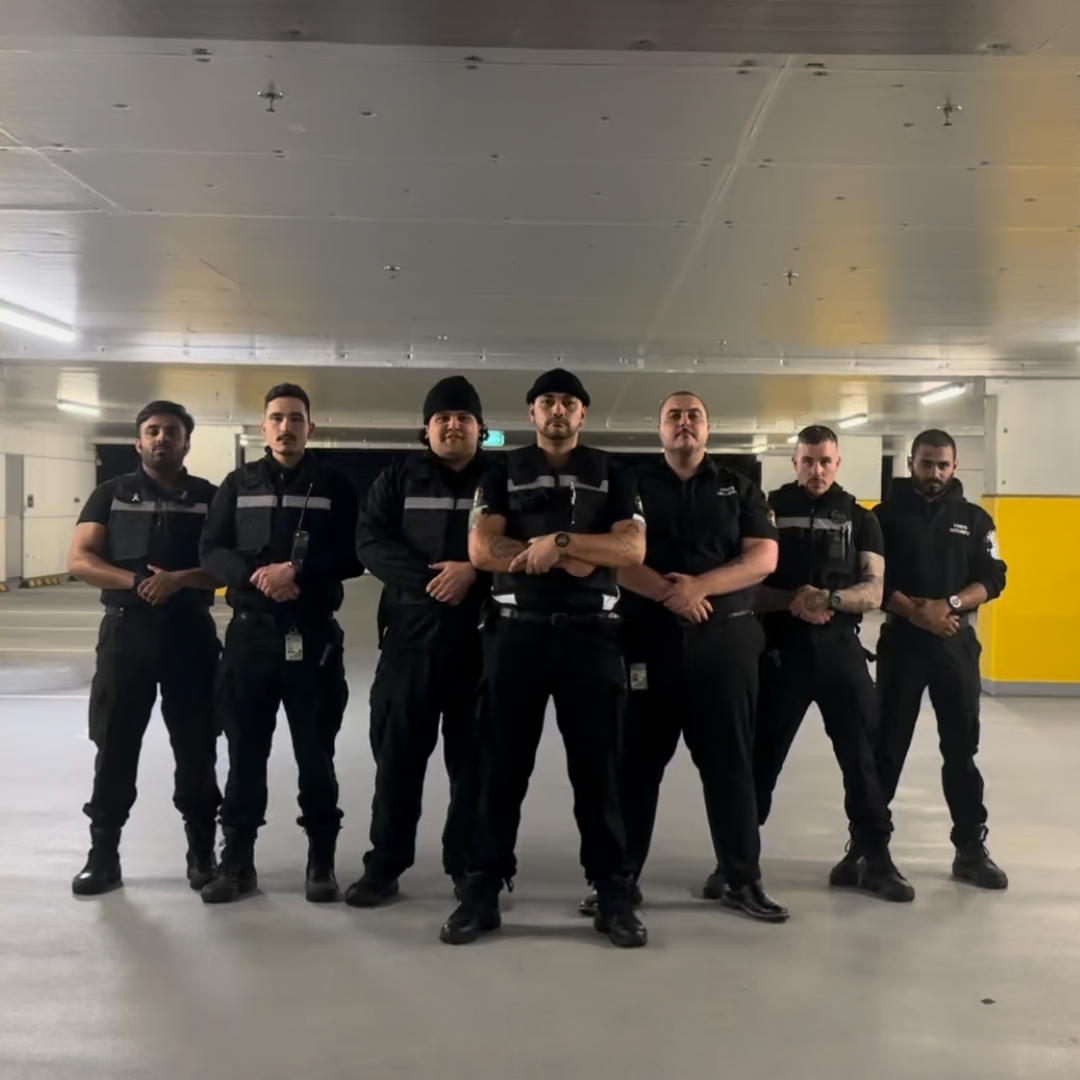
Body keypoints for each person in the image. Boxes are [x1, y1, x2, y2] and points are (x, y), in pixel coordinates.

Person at [439, 369, 648, 949]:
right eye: (547, 402)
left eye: (569, 403)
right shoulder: (501, 471)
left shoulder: (615, 472)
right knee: (499, 771)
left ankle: (613, 895)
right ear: (531, 413)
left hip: (593, 638)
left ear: (583, 414)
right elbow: (482, 549)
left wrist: (554, 544)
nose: (558, 410)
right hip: (516, 637)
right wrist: (581, 552)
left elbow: (632, 548)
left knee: (599, 772)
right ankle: (481, 892)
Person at [580, 390, 788, 923]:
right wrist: (670, 594)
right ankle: (619, 882)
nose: (684, 423)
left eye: (694, 415)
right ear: (659, 428)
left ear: (708, 428)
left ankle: (742, 879)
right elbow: (616, 559)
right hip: (646, 642)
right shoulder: (631, 486)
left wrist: (699, 588)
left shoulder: (738, 487)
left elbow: (763, 557)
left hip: (724, 647)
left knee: (731, 768)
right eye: (674, 415)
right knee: (636, 767)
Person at [199, 383, 363, 904]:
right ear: (263, 426)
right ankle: (237, 862)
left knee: (316, 753)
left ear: (310, 427)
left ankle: (321, 862)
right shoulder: (237, 483)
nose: (286, 426)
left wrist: (299, 571)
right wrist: (256, 577)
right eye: (276, 417)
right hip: (250, 637)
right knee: (246, 752)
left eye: (296, 418)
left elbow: (353, 553)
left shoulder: (333, 483)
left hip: (311, 635)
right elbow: (211, 550)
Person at [752, 425, 913, 902]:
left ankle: (875, 859)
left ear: (838, 463)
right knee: (760, 760)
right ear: (794, 462)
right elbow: (747, 584)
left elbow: (874, 590)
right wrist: (794, 602)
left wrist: (830, 598)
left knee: (862, 758)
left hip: (841, 652)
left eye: (825, 461)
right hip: (780, 652)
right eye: (808, 460)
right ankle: (736, 863)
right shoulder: (767, 512)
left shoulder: (862, 519)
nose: (817, 470)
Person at [67, 401, 221, 896]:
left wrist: (179, 581)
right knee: (114, 746)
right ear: (138, 442)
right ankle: (102, 856)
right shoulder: (110, 494)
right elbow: (79, 559)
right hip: (126, 636)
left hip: (190, 637)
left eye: (171, 431)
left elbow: (229, 565)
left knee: (197, 748)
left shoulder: (209, 498)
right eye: (152, 431)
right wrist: (136, 582)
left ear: (186, 442)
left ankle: (202, 854)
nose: (161, 438)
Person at [344, 376, 488, 906]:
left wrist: (473, 572)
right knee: (398, 761)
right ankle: (384, 866)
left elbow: (517, 546)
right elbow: (369, 544)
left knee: (474, 765)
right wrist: (436, 578)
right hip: (409, 642)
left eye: (464, 418)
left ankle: (469, 865)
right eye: (442, 418)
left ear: (480, 428)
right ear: (426, 429)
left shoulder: (499, 479)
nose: (453, 425)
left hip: (479, 646)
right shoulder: (399, 476)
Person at [872, 429, 1008, 889]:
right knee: (885, 748)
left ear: (955, 466)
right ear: (910, 462)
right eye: (926, 463)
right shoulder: (883, 517)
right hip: (902, 643)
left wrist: (947, 605)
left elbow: (993, 577)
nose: (934, 473)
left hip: (955, 644)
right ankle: (868, 846)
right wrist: (916, 613)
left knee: (961, 751)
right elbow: (870, 578)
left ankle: (970, 848)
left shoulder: (975, 518)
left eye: (943, 465)